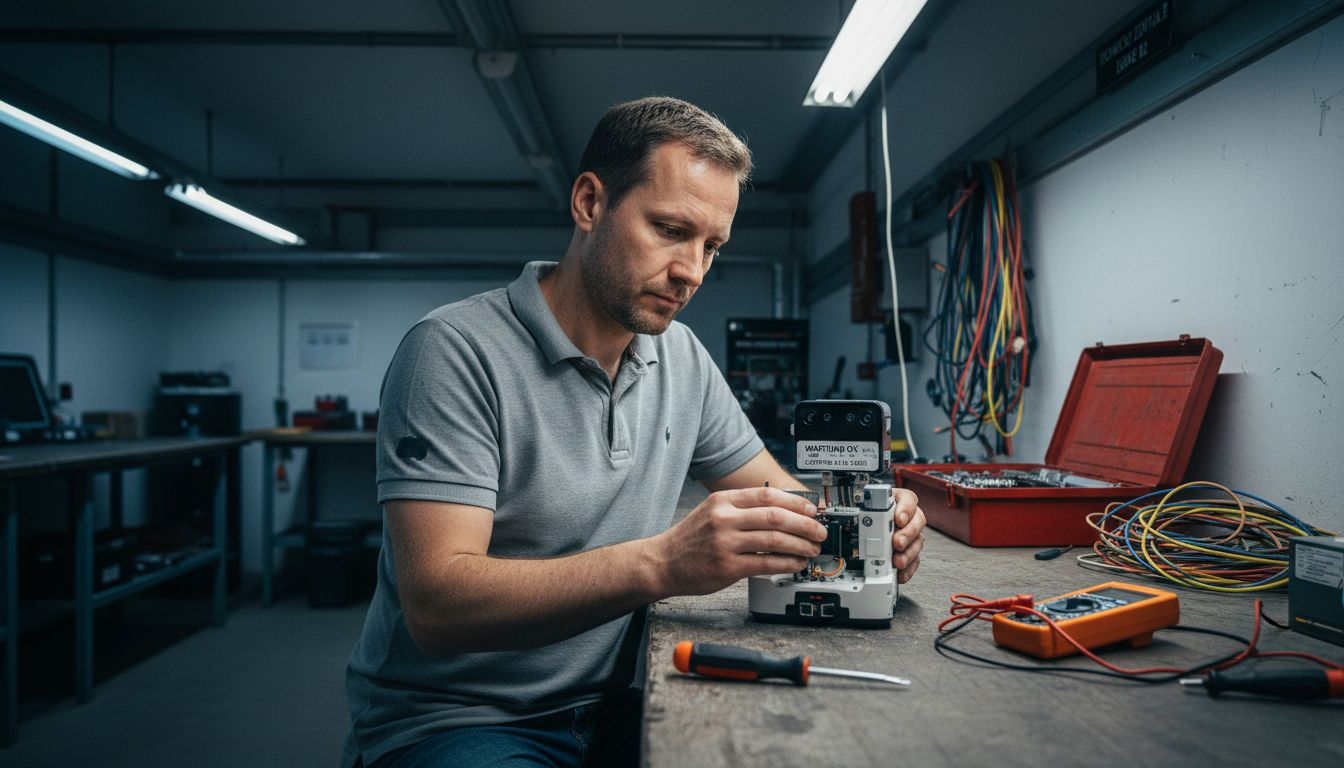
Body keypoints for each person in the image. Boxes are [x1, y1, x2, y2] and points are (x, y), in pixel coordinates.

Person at [341, 96, 926, 768]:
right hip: (460, 722)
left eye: (712, 246)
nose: (693, 272)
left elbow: (789, 505)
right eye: (671, 230)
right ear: (590, 203)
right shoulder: (453, 352)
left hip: (626, 698)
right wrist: (663, 564)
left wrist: (868, 526)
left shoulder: (681, 357)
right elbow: (438, 607)